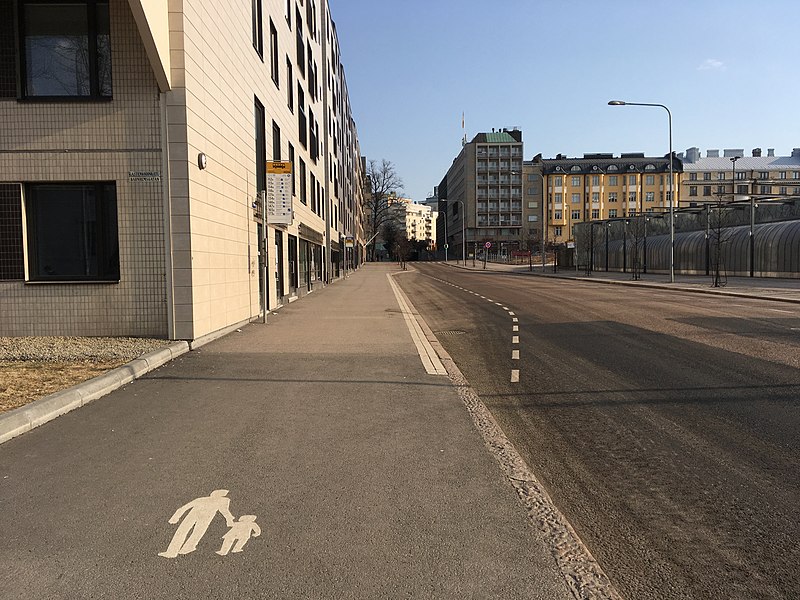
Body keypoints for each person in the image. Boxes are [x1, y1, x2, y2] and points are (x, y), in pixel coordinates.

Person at [159, 489, 236, 558]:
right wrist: (229, 520)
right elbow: (225, 511)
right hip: (199, 516)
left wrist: (175, 517)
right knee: (194, 532)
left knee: (186, 531)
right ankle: (184, 548)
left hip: (198, 515)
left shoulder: (207, 499)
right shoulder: (221, 500)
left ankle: (177, 550)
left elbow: (184, 507)